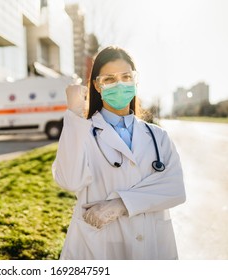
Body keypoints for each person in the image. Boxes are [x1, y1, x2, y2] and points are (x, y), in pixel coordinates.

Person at [52, 45, 186, 259]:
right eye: (109, 79)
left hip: (153, 244)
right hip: (99, 247)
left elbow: (175, 188)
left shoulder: (157, 136)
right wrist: (74, 115)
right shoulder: (82, 132)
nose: (119, 84)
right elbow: (69, 181)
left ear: (135, 80)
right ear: (97, 85)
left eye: (126, 76)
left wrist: (121, 204)